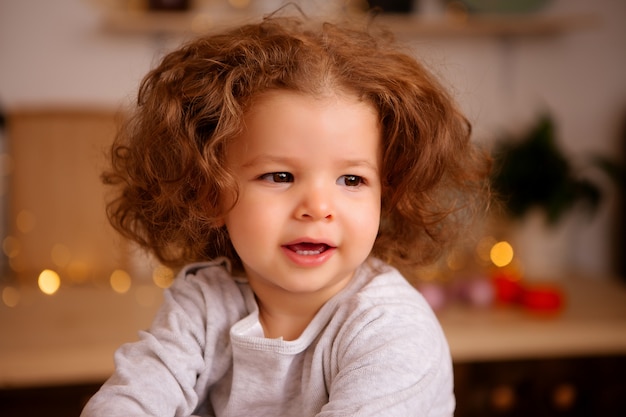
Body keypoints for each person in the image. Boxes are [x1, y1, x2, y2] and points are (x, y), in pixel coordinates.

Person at [81, 12, 490, 417]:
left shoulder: (392, 330)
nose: (318, 208)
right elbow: (128, 400)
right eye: (279, 176)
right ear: (210, 195)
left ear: (388, 193)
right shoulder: (205, 305)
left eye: (351, 180)